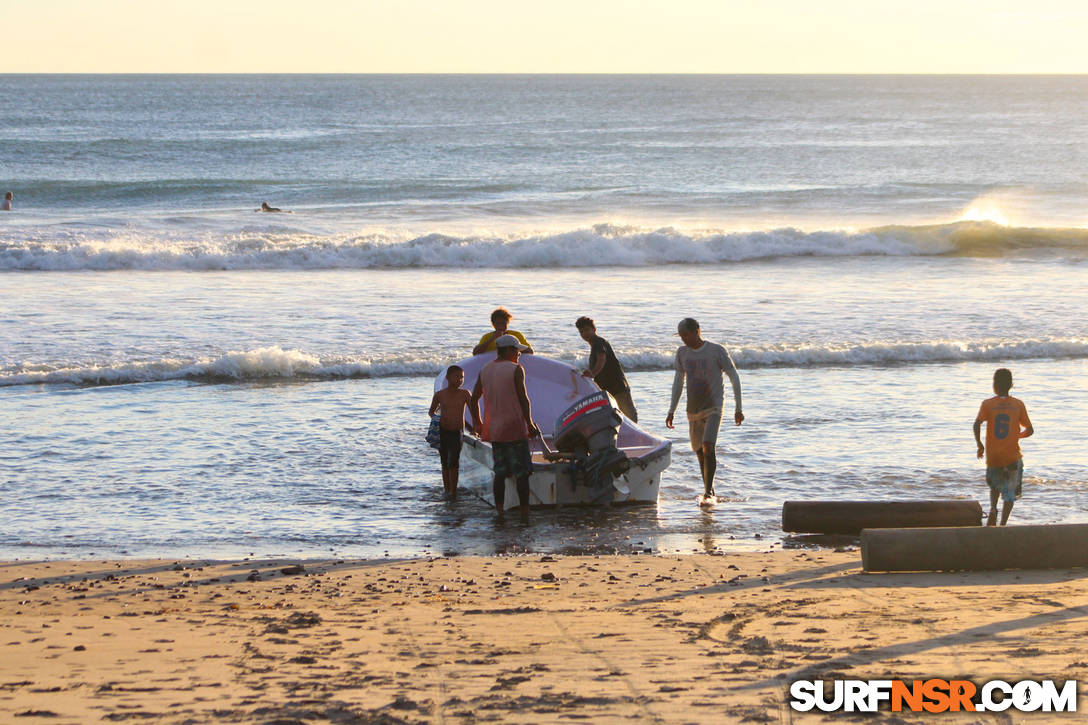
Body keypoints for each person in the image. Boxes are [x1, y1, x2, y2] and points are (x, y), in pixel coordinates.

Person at [665, 317, 744, 500]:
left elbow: (734, 376)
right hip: (693, 409)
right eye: (681, 335)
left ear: (697, 331)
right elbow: (678, 382)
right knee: (699, 452)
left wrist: (738, 408)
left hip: (713, 407)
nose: (683, 339)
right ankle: (709, 488)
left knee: (708, 446)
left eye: (686, 334)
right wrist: (671, 410)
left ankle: (708, 492)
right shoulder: (682, 353)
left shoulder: (716, 351)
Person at [470, 335, 541, 521]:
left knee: (500, 472)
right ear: (508, 350)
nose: (519, 354)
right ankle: (525, 512)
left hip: (494, 429)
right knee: (522, 473)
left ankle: (500, 511)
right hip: (515, 427)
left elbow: (473, 398)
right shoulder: (516, 369)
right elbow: (523, 399)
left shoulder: (485, 369)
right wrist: (530, 423)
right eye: (517, 350)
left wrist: (478, 423)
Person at [974, 368, 1033, 526]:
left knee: (995, 486)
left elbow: (976, 424)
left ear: (994, 385)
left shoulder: (987, 404)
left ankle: (993, 508)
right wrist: (1017, 435)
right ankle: (1003, 524)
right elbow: (1030, 430)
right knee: (1009, 492)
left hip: (994, 456)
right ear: (1011, 385)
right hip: (1012, 456)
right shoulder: (1018, 404)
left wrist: (980, 445)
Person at [428, 365, 479, 499]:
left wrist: (475, 427)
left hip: (457, 432)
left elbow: (473, 411)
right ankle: (447, 490)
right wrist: (436, 420)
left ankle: (453, 492)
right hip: (443, 431)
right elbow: (431, 411)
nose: (460, 380)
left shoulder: (465, 394)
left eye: (462, 377)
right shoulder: (440, 395)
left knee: (454, 462)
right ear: (448, 378)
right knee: (444, 462)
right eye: (457, 377)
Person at [575, 316, 638, 422]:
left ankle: (637, 438)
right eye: (581, 332)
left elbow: (601, 358)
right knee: (615, 419)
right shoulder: (595, 344)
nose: (584, 334)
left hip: (618, 387)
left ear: (594, 329)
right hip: (608, 389)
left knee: (630, 418)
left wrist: (593, 373)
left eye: (587, 330)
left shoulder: (599, 343)